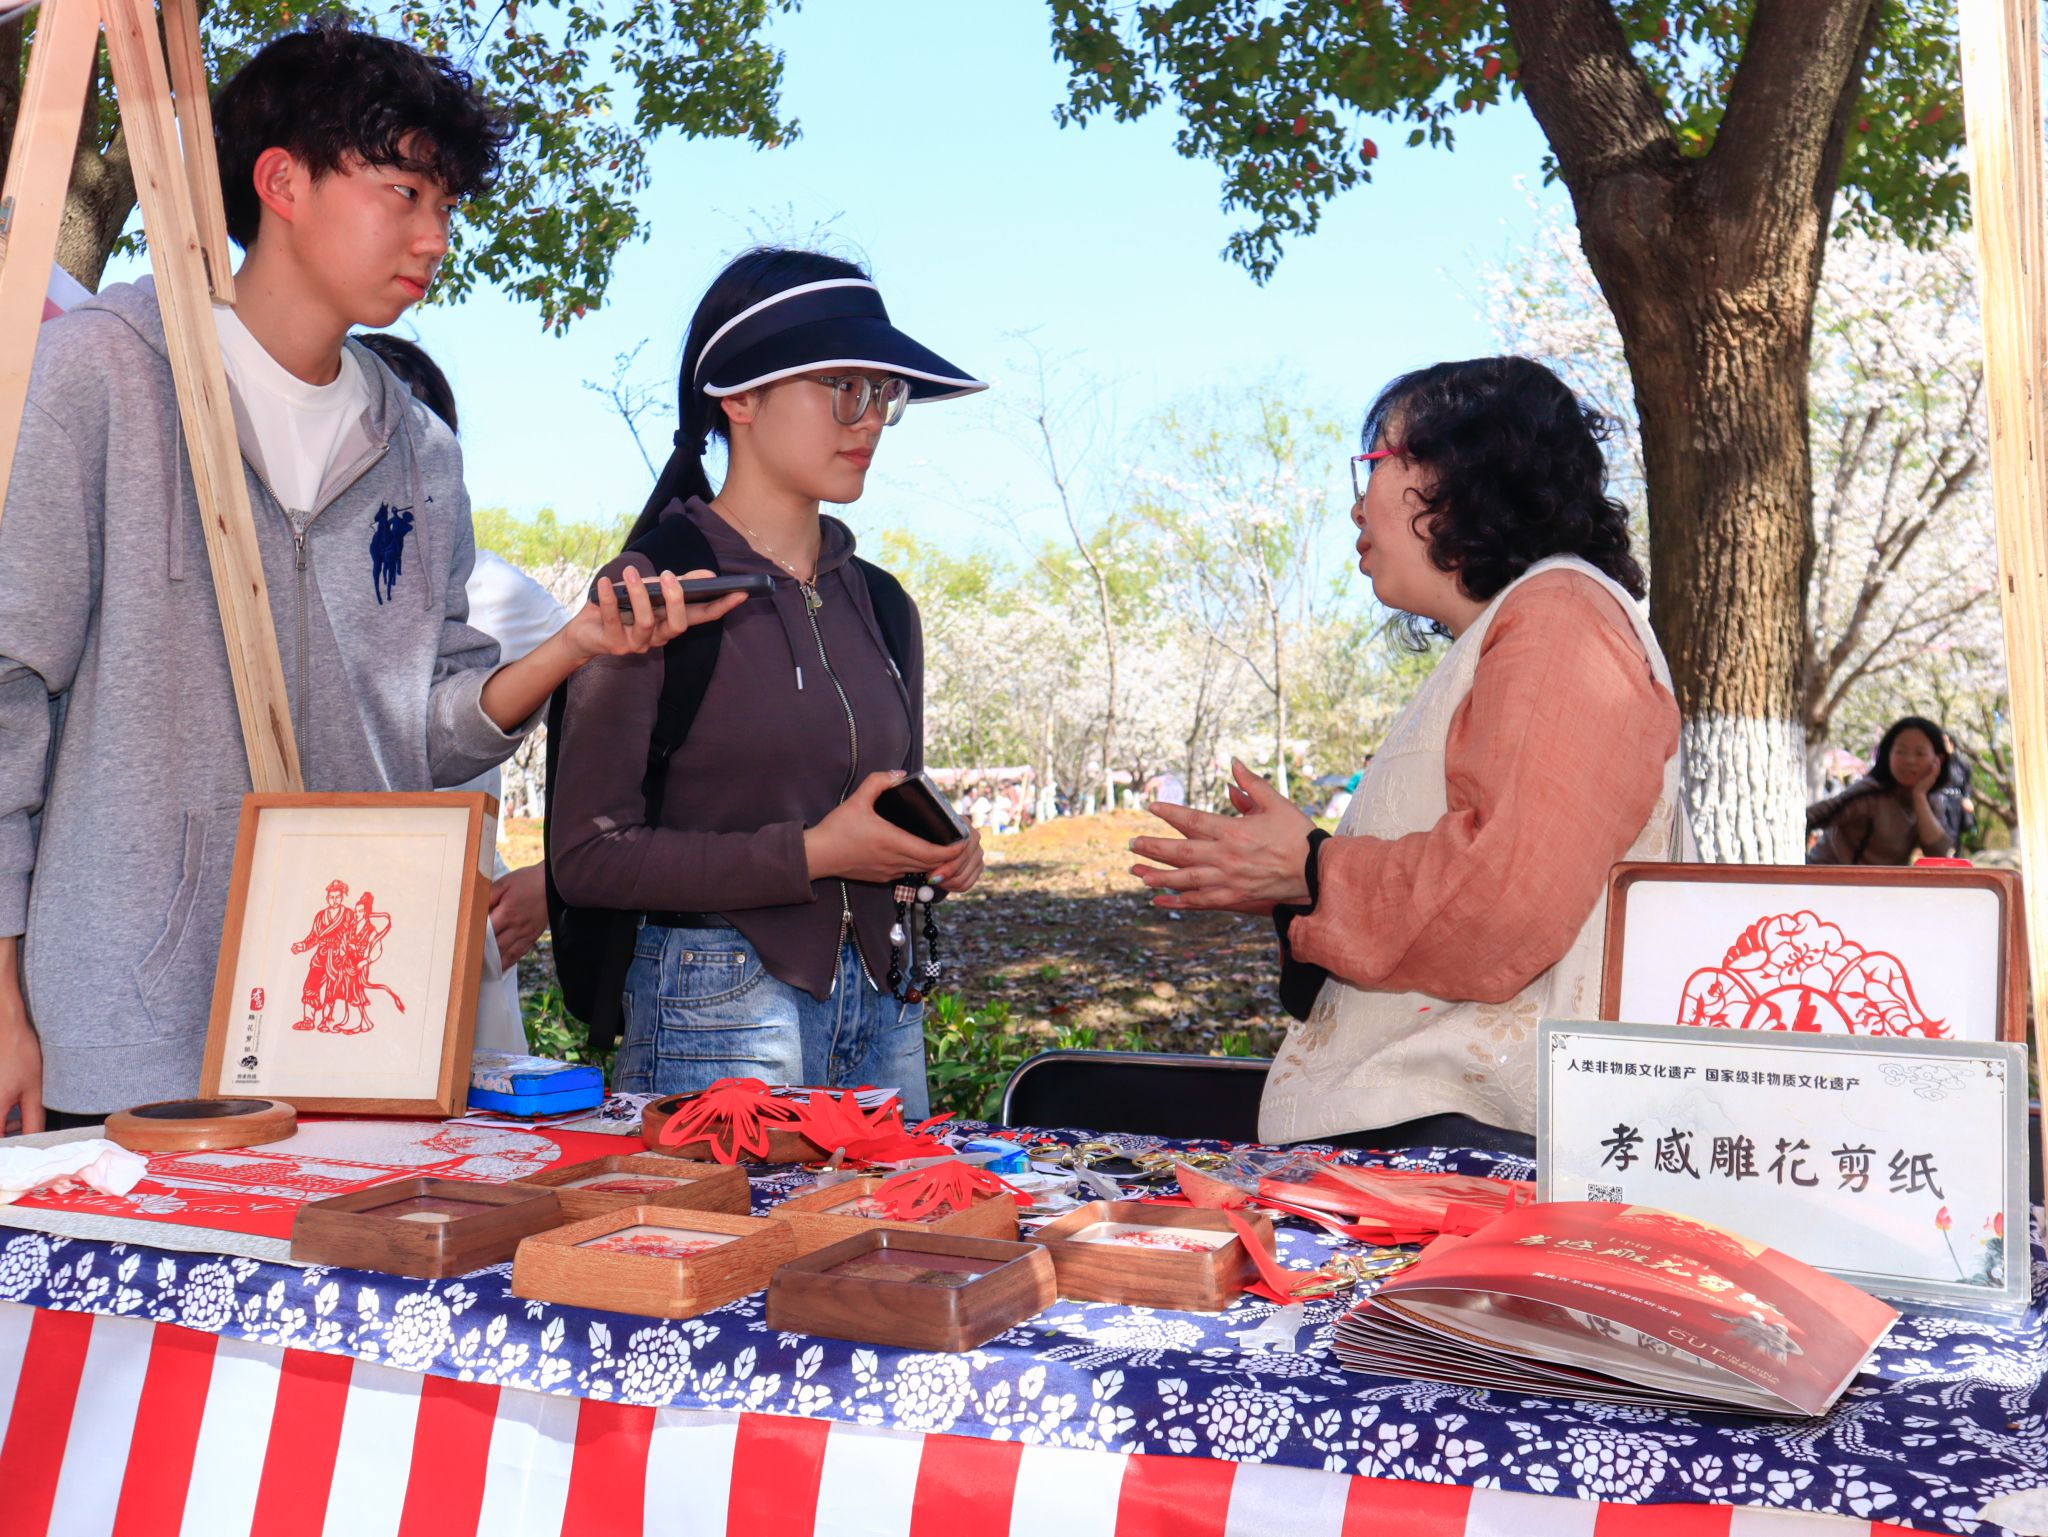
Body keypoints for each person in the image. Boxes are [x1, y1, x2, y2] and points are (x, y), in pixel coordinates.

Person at [0, 22, 720, 1131]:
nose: (435, 236)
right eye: (404, 192)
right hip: (123, 1031)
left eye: (447, 204)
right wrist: (3, 1000)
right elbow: (7, 687)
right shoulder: (104, 370)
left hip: (344, 1032)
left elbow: (421, 736)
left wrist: (574, 648)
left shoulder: (418, 450)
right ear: (281, 182)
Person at [1128, 357, 1686, 1152]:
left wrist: (1314, 869)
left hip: (1479, 1148)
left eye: (1376, 463)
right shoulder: (1528, 624)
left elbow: (1506, 896)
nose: (1357, 505)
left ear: (1464, 469)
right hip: (1446, 1139)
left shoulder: (1562, 615)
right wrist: (1292, 878)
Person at [547, 249, 987, 1118]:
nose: (870, 418)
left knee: (889, 1217)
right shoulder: (656, 591)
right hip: (715, 1012)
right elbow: (588, 858)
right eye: (843, 387)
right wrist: (815, 854)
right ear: (739, 398)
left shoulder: (884, 605)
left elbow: (888, 797)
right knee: (725, 1219)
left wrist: (938, 848)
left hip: (886, 1005)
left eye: (884, 393)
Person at [358, 331, 567, 1053]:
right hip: (326, 920)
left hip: (460, 937)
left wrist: (557, 880)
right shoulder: (274, 586)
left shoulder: (499, 594)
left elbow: (625, 742)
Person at [1806, 716, 1963, 865]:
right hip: (1830, 879)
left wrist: (1919, 796)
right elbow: (1809, 817)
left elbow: (1940, 854)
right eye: (1900, 751)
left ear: (1938, 759)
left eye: (1920, 753)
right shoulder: (1869, 794)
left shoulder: (1931, 801)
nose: (1909, 760)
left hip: (1881, 883)